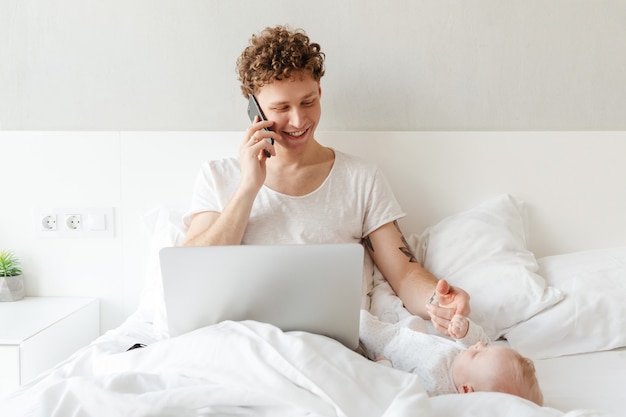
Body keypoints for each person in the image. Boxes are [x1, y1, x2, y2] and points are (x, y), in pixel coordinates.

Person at [182, 25, 469, 334]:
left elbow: (403, 273)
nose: (298, 120)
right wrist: (248, 188)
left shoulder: (361, 178)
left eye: (307, 102)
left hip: (328, 350)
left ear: (319, 91)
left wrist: (439, 301)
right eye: (281, 108)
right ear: (255, 108)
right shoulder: (218, 176)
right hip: (244, 344)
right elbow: (192, 276)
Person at [359, 309, 544, 405]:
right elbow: (481, 340)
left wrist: (383, 366)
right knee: (413, 321)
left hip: (389, 347)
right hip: (413, 336)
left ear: (466, 390)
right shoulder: (467, 365)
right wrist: (464, 331)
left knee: (362, 323)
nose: (478, 346)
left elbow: (400, 388)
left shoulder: (435, 388)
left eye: (477, 354)